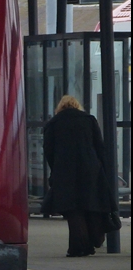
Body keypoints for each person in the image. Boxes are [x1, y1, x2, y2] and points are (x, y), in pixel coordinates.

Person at [42, 95, 116, 257]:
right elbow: (99, 146)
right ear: (77, 105)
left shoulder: (53, 124)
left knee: (73, 210)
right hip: (90, 170)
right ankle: (90, 242)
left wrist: (55, 169)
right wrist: (102, 168)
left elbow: (49, 150)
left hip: (65, 172)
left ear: (60, 107)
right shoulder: (89, 120)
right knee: (90, 205)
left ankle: (78, 247)